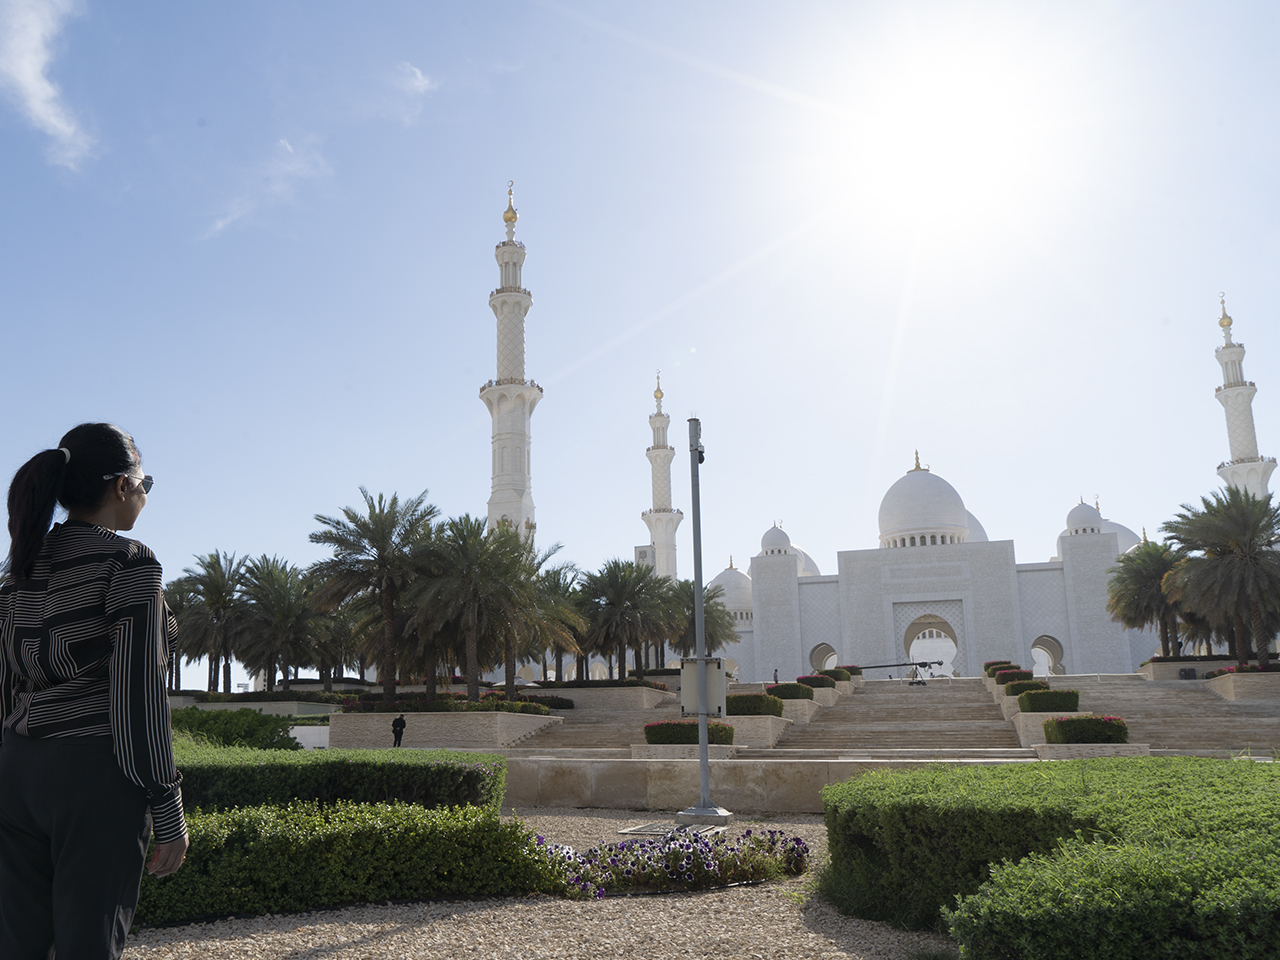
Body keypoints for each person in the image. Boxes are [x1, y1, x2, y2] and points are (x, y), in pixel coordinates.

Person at [0, 423, 188, 960]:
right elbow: (140, 695)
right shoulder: (129, 562)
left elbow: (6, 683)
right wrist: (168, 808)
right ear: (121, 486)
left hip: (16, 771)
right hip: (93, 777)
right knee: (90, 945)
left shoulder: (21, 566)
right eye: (145, 482)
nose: (145, 493)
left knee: (17, 945)